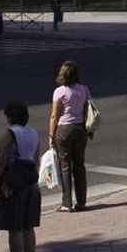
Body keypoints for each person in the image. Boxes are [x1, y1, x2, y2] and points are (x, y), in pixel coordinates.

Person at [0, 100, 41, 252]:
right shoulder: (34, 133)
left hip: (14, 185)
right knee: (28, 227)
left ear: (11, 116)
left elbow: (1, 161)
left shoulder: (10, 134)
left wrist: (0, 184)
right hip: (31, 184)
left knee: (15, 228)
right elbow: (36, 160)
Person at [49, 60, 92, 212]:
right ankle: (81, 202)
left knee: (65, 166)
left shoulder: (59, 92)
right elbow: (87, 110)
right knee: (79, 166)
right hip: (80, 129)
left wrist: (51, 135)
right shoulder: (84, 90)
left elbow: (55, 115)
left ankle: (66, 203)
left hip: (64, 130)